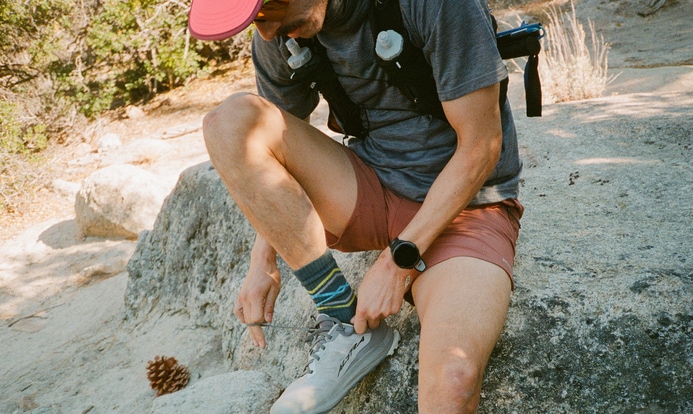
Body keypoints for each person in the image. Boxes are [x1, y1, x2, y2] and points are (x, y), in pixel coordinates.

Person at [188, 0, 523, 412]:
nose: (268, 33)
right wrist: (264, 260)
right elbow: (270, 158)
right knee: (230, 120)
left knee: (454, 382)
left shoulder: (436, 5)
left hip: (466, 208)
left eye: (267, 10)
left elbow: (481, 148)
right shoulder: (277, 35)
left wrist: (396, 262)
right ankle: (346, 322)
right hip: (367, 188)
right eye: (255, 20)